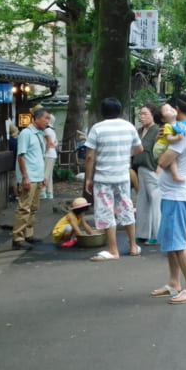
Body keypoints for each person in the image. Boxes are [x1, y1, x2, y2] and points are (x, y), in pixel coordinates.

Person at [150, 92, 186, 304]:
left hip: (177, 196)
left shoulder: (185, 133)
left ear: (179, 110)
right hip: (173, 194)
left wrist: (161, 144)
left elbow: (163, 161)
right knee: (171, 243)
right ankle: (174, 283)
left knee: (179, 244)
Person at [84, 97, 144, 261]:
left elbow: (90, 157)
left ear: (102, 111)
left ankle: (113, 250)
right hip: (123, 176)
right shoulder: (129, 126)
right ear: (119, 110)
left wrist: (88, 178)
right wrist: (124, 154)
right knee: (126, 208)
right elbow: (139, 148)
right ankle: (133, 246)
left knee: (106, 211)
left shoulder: (97, 128)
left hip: (104, 178)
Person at [12, 106, 50, 250]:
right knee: (24, 208)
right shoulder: (26, 133)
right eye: (46, 118)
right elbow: (21, 156)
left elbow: (39, 156)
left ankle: (28, 234)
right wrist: (25, 177)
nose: (47, 121)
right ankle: (18, 238)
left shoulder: (39, 134)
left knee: (34, 208)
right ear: (37, 118)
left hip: (37, 176)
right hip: (29, 177)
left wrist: (43, 176)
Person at [132, 104, 161, 245]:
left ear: (153, 115)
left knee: (155, 201)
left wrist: (159, 168)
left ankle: (156, 234)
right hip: (140, 169)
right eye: (141, 114)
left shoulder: (157, 130)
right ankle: (142, 233)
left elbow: (162, 149)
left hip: (152, 169)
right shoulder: (139, 131)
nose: (142, 117)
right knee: (142, 201)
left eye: (145, 114)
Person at [152, 101, 186, 183]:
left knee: (172, 159)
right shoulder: (168, 126)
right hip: (160, 148)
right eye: (167, 110)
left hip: (161, 147)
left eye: (171, 107)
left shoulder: (176, 124)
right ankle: (175, 176)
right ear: (163, 119)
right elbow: (169, 139)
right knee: (172, 160)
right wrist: (177, 138)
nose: (171, 109)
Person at [42, 113, 59, 199]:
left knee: (45, 173)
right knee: (49, 174)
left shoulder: (46, 130)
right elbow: (56, 143)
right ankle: (49, 192)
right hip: (53, 154)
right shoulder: (52, 130)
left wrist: (44, 151)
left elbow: (48, 143)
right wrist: (52, 146)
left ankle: (42, 191)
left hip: (48, 154)